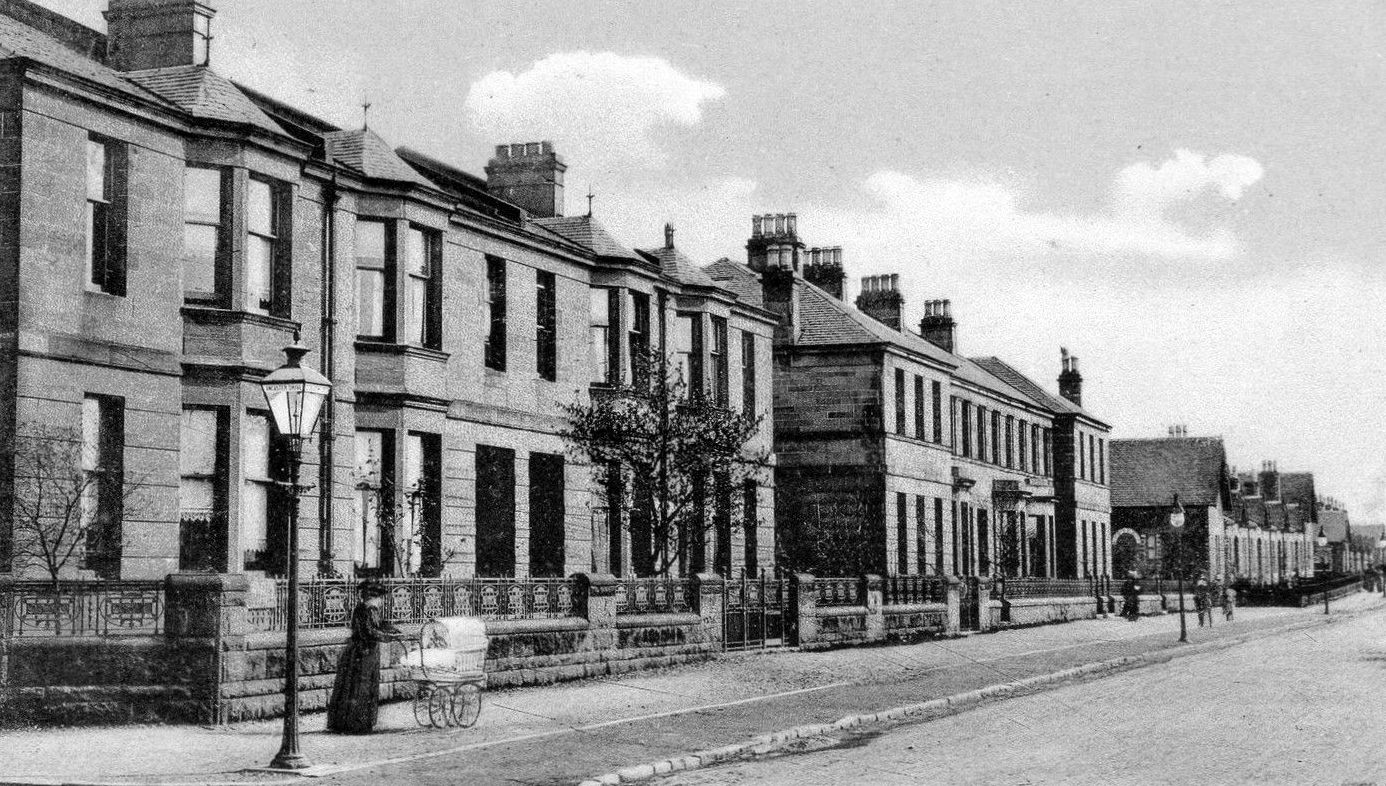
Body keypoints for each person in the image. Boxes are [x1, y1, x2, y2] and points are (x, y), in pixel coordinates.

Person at [327, 580, 404, 734]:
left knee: (366, 686)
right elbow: (369, 632)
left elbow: (380, 624)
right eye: (379, 598)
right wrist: (387, 637)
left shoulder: (371, 610)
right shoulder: (364, 610)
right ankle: (355, 724)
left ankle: (361, 722)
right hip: (361, 653)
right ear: (371, 597)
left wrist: (394, 631)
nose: (381, 601)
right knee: (359, 687)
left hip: (369, 653)